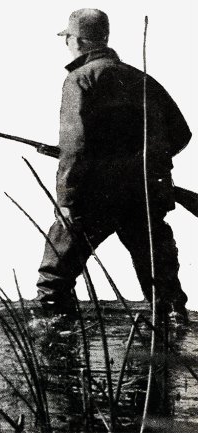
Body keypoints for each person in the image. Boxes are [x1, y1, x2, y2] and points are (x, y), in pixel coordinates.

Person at [36, 9, 191, 322]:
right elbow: (181, 134)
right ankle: (174, 344)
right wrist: (138, 164)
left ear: (77, 39)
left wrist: (66, 200)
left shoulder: (80, 79)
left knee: (54, 280)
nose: (67, 43)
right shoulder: (141, 78)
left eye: (67, 37)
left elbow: (76, 147)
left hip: (94, 197)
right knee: (163, 283)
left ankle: (55, 346)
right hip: (143, 195)